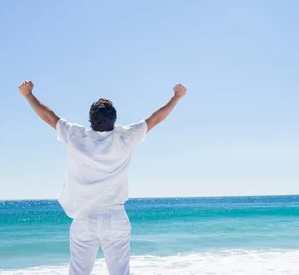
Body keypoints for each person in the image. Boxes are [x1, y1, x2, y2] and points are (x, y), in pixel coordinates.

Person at [18, 80, 187, 275]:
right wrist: (177, 97)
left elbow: (49, 118)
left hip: (83, 216)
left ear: (90, 119)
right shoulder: (125, 137)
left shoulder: (76, 135)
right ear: (114, 120)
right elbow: (155, 119)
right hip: (115, 217)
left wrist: (28, 95)